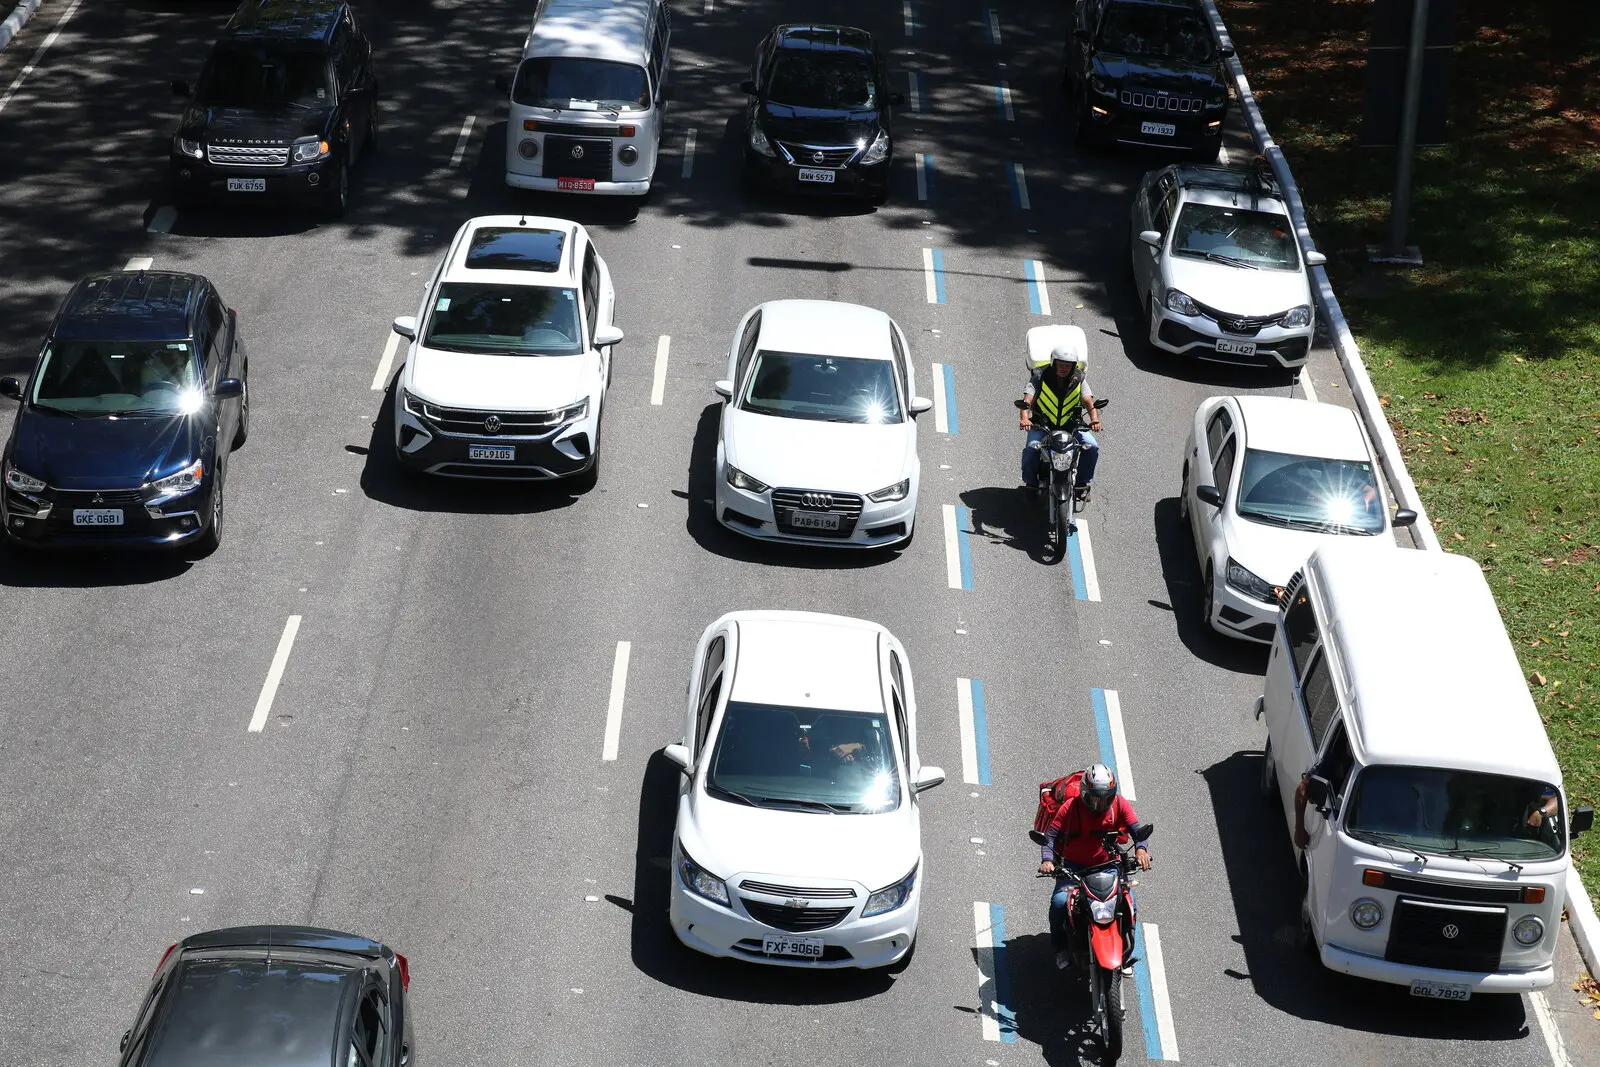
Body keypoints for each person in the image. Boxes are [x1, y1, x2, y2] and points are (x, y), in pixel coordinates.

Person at [1038, 763, 1150, 971]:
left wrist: (1141, 850)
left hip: (1107, 866)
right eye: (1094, 797)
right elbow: (1049, 838)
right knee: (1059, 903)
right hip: (1073, 869)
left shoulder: (1119, 804)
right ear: (1084, 793)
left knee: (1128, 904)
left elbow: (1137, 830)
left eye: (1105, 798)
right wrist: (1047, 861)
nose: (1099, 803)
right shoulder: (1069, 808)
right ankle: (1060, 948)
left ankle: (1126, 951)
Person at [1020, 327, 1102, 501]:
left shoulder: (1079, 379)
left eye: (1068, 365)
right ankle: (1030, 484)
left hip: (1072, 425)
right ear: (1053, 362)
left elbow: (1088, 401)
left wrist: (1094, 419)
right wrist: (1025, 418)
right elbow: (1027, 400)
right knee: (1031, 448)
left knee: (1092, 446)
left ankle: (1082, 484)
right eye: (1061, 364)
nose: (1064, 368)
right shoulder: (1039, 377)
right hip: (1043, 425)